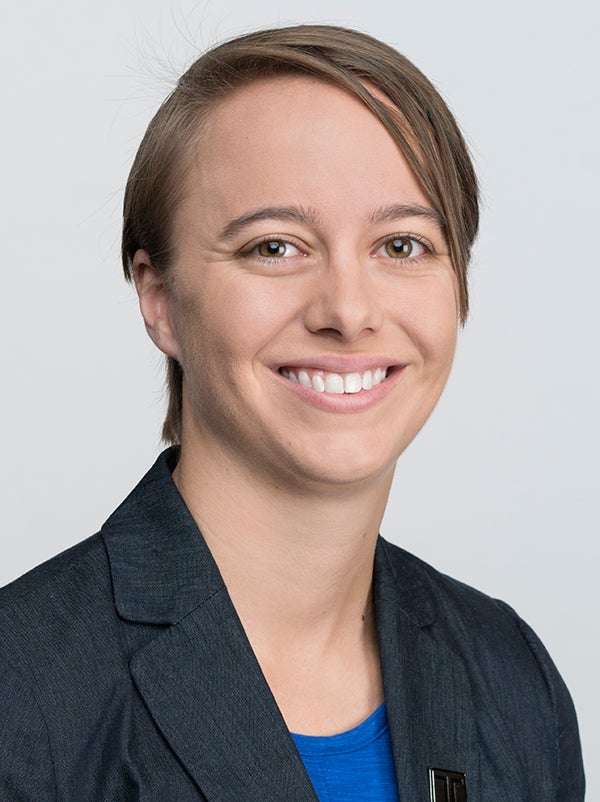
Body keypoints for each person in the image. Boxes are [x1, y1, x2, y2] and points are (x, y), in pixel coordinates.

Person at [0, 24, 584, 802]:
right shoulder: (24, 693)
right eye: (275, 247)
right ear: (160, 298)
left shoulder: (513, 681)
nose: (348, 309)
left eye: (402, 245)